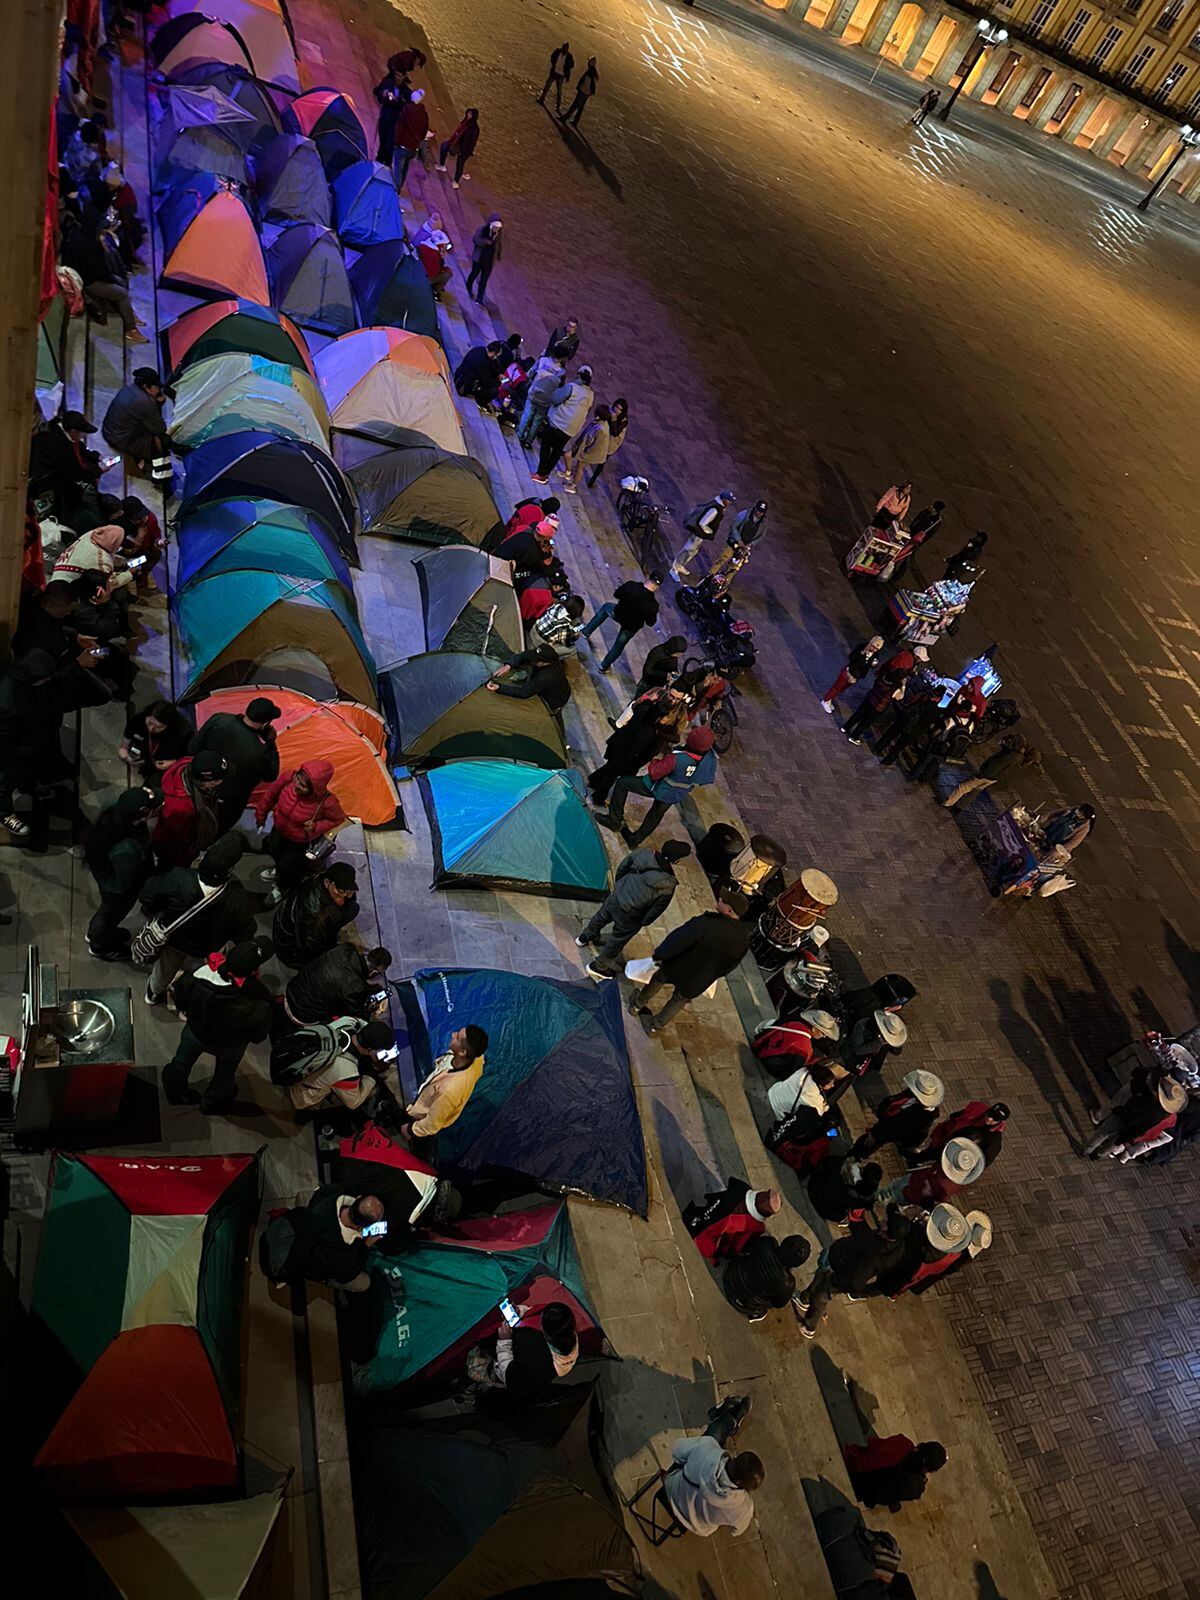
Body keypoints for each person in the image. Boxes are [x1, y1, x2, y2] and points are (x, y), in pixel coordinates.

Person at [140, 832, 257, 1004]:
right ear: (229, 870)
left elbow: (148, 895)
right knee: (203, 971)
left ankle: (153, 994)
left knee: (164, 970)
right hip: (207, 947)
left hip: (174, 939)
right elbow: (246, 933)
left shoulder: (178, 877)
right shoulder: (237, 901)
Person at [162, 936, 275, 1113]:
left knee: (181, 1062)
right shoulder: (258, 1000)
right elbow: (258, 1035)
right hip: (230, 1045)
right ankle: (212, 1103)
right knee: (225, 1074)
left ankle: (175, 1092)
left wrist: (190, 1013)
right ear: (255, 971)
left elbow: (180, 995)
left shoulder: (200, 974)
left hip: (195, 1032)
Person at [631, 891, 750, 1033]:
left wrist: (659, 955)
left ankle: (637, 1005)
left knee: (657, 980)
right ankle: (654, 1027)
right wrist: (712, 974)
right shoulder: (743, 941)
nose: (719, 899)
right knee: (679, 1000)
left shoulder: (706, 923)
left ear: (729, 910)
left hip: (676, 965)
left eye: (723, 901)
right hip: (699, 979)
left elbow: (678, 940)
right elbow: (729, 967)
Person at [577, 839, 692, 979]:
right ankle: (597, 967)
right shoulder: (668, 885)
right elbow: (654, 912)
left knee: (601, 917)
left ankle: (584, 937)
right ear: (677, 861)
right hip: (631, 914)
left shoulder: (644, 853)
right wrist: (641, 922)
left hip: (617, 897)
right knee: (616, 942)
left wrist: (620, 887)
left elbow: (622, 867)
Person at [795, 1205, 913, 1338]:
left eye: (885, 1220)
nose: (881, 1218)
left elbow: (855, 1282)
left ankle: (810, 1325)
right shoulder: (896, 1244)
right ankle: (804, 1298)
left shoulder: (874, 1257)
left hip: (837, 1270)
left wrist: (833, 1278)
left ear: (886, 1229)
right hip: (839, 1257)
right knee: (819, 1277)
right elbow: (863, 1236)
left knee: (821, 1295)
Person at [664, 1396, 762, 1537]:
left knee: (713, 1435)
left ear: (734, 1458)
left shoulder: (707, 1451)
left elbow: (677, 1450)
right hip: (697, 1526)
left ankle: (728, 1419)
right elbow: (736, 1531)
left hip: (673, 1493)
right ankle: (730, 1421)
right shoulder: (744, 1508)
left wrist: (696, 1459)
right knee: (711, 1441)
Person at [606, 725, 718, 847]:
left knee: (623, 782)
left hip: (660, 787)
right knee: (655, 816)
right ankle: (634, 840)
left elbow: (654, 773)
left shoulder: (676, 759)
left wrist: (655, 760)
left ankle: (614, 820)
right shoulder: (709, 760)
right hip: (677, 793)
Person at [84, 786, 162, 958]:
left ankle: (97, 934)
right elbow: (125, 883)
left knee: (106, 913)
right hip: (115, 889)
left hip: (106, 874)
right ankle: (100, 946)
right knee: (110, 914)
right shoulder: (126, 849)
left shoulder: (115, 809)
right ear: (142, 813)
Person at [264, 1186, 387, 1292]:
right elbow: (346, 1275)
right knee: (364, 1283)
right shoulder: (341, 1251)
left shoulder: (332, 1193)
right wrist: (365, 1247)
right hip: (309, 1263)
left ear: (358, 1198)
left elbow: (317, 1195)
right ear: (363, 1226)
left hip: (297, 1230)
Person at [253, 761, 346, 897]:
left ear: (314, 788)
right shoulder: (288, 778)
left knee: (289, 866)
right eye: (298, 779)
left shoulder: (327, 802)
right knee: (274, 851)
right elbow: (271, 795)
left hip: (298, 842)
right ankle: (277, 870)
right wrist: (261, 816)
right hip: (279, 830)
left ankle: (282, 887)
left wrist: (316, 826)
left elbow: (337, 819)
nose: (296, 785)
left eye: (303, 785)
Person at [587, 684, 687, 807]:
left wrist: (659, 732)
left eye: (677, 699)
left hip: (646, 750)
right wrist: (647, 703)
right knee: (615, 769)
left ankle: (594, 781)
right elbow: (635, 706)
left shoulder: (681, 713)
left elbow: (676, 737)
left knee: (617, 769)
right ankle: (598, 793)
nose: (673, 700)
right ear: (668, 690)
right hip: (631, 742)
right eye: (672, 696)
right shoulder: (656, 694)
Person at [467, 1301, 579, 1409]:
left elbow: (509, 1376)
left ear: (546, 1334)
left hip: (508, 1376)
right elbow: (534, 1313)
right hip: (530, 1378)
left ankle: (475, 1386)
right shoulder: (567, 1333)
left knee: (474, 1363)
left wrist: (504, 1341)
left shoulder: (536, 1355)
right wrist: (520, 1311)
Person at [189, 697, 281, 826]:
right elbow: (271, 775)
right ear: (265, 724)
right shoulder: (259, 752)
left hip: (195, 785)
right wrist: (271, 745)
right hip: (228, 801)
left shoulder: (218, 719)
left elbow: (193, 747)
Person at [61, 205, 147, 342]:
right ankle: (131, 329)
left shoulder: (79, 233)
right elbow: (99, 272)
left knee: (121, 282)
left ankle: (128, 313)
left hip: (88, 275)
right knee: (122, 292)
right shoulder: (90, 246)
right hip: (89, 281)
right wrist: (111, 277)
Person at [277, 1017, 394, 1115]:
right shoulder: (347, 1071)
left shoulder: (347, 1022)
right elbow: (354, 1103)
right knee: (369, 1093)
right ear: (370, 1049)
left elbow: (362, 1024)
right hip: (298, 1094)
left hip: (292, 1064)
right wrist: (372, 1074)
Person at [404, 1023, 489, 1136]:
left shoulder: (449, 1092)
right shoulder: (476, 1059)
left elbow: (431, 1125)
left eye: (457, 1037)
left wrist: (410, 1130)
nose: (453, 1034)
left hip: (423, 1111)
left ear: (463, 1052)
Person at [273, 861, 359, 970]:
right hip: (292, 952)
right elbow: (312, 947)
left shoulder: (318, 879)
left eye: (348, 891)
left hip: (290, 933)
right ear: (328, 882)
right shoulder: (318, 916)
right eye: (341, 891)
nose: (345, 895)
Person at [1082, 1074, 1184, 1161]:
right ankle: (1098, 1155)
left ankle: (1087, 1150)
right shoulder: (1167, 1116)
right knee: (1113, 1143)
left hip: (1122, 1119)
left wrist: (1119, 1110)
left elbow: (1132, 1110)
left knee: (1103, 1133)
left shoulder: (1150, 1104)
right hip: (1129, 1133)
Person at [286, 943, 392, 1026]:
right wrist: (371, 1009)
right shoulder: (354, 988)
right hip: (302, 1013)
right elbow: (357, 1015)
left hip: (292, 988)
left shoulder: (345, 949)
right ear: (374, 972)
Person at [152, 751, 227, 867]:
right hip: (176, 851)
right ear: (206, 783)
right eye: (217, 781)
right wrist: (188, 853)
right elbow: (175, 841)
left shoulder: (189, 764)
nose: (220, 783)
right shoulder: (181, 807)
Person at [852, 1071, 945, 1162]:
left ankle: (857, 1155)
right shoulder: (912, 1096)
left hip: (885, 1131)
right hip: (885, 1125)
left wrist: (875, 1134)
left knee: (866, 1144)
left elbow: (897, 1130)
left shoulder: (923, 1118)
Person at [843, 646, 928, 745]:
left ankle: (846, 727)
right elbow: (899, 696)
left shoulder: (885, 675)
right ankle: (854, 736)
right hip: (879, 704)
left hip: (873, 694)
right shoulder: (894, 685)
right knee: (867, 720)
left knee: (860, 711)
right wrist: (903, 686)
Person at [28, 409, 102, 522]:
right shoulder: (60, 446)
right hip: (42, 478)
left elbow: (79, 446)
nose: (82, 437)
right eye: (81, 433)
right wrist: (99, 470)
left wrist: (96, 456)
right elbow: (75, 472)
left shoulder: (57, 429)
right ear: (73, 431)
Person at [682, 1178, 782, 1260]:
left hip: (698, 1218)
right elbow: (738, 1247)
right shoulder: (755, 1226)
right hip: (703, 1241)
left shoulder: (741, 1187)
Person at [580, 573, 661, 672]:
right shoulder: (653, 605)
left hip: (618, 614)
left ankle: (586, 632)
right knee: (619, 645)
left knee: (606, 607)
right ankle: (603, 667)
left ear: (648, 577)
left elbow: (616, 594)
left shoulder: (631, 585)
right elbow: (650, 623)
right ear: (658, 587)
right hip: (631, 626)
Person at [844, 1437, 947, 1512]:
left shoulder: (902, 1444)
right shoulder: (916, 1488)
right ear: (931, 1470)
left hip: (857, 1470)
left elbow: (875, 1445)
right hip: (865, 1493)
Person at [723, 1233, 811, 1321]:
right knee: (769, 1301)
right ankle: (755, 1313)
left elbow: (748, 1248)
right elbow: (778, 1304)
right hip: (747, 1302)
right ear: (797, 1264)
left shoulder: (767, 1243)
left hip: (731, 1275)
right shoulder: (788, 1283)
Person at [881, 1136, 986, 1207]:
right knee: (893, 1185)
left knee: (895, 1198)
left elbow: (934, 1200)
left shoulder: (948, 1186)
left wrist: (925, 1191)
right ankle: (881, 1194)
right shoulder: (946, 1164)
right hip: (915, 1178)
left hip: (913, 1192)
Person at [942, 735, 1041, 810]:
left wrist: (982, 774)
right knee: (975, 792)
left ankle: (948, 803)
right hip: (994, 778)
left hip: (988, 775)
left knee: (963, 787)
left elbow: (996, 766)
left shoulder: (1012, 756)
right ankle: (960, 807)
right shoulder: (1019, 759)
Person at [532, 365, 594, 482]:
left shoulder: (572, 387)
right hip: (571, 429)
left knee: (546, 447)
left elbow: (555, 399)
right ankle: (546, 474)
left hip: (558, 423)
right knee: (557, 450)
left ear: (578, 375)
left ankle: (541, 473)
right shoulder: (590, 394)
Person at [102, 369, 170, 464]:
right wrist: (158, 403)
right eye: (156, 387)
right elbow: (159, 429)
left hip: (110, 431)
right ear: (146, 386)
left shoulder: (129, 388)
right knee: (164, 441)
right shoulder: (145, 402)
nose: (158, 390)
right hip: (120, 440)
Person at [119, 699, 192, 787]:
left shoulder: (181, 734)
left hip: (166, 767)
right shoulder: (137, 721)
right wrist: (127, 757)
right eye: (150, 723)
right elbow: (124, 746)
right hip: (143, 760)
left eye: (159, 727)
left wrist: (173, 762)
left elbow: (188, 757)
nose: (152, 729)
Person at [751, 1008, 841, 1078]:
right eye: (823, 1033)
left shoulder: (795, 1024)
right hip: (769, 1062)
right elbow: (792, 1070)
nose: (824, 1036)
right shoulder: (805, 1048)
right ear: (814, 1029)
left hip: (763, 1048)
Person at [920, 1099, 1008, 1168]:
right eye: (990, 1114)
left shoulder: (994, 1140)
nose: (989, 1119)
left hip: (955, 1155)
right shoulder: (977, 1109)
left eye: (994, 1119)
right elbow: (958, 1115)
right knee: (929, 1153)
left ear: (1000, 1121)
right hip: (946, 1139)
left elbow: (985, 1162)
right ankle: (917, 1159)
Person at [670, 489, 735, 580]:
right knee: (688, 550)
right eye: (729, 500)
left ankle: (680, 565)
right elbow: (703, 523)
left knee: (692, 551)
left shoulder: (717, 505)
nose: (730, 503)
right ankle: (674, 568)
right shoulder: (716, 509)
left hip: (699, 534)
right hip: (698, 534)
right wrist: (709, 531)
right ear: (724, 499)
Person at [486, 645, 570, 714]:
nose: (533, 660)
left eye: (537, 661)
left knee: (546, 709)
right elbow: (523, 656)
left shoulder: (546, 677)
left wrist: (499, 688)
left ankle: (554, 712)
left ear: (546, 663)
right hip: (554, 685)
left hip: (556, 698)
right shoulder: (543, 656)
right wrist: (508, 666)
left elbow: (524, 692)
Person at [807, 1157, 882, 1225]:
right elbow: (867, 1205)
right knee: (842, 1214)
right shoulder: (860, 1198)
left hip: (813, 1186)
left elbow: (827, 1161)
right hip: (823, 1208)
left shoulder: (843, 1164)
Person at [821, 636, 886, 715]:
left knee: (842, 689)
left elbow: (874, 664)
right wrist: (862, 652)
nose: (874, 649)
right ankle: (826, 700)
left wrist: (873, 664)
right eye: (873, 646)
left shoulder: (875, 655)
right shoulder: (862, 647)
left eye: (876, 648)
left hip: (857, 675)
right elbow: (851, 657)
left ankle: (830, 699)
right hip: (849, 671)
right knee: (837, 687)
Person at [517, 354, 567, 448]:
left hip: (533, 394)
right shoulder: (561, 372)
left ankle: (520, 434)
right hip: (546, 401)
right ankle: (528, 441)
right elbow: (561, 388)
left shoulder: (542, 360)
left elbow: (530, 373)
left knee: (526, 415)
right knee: (537, 421)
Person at [711, 500, 768, 577]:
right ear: (755, 508)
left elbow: (761, 536)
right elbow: (734, 527)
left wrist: (751, 544)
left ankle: (725, 584)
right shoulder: (744, 515)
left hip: (744, 548)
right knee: (722, 560)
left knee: (733, 567)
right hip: (733, 543)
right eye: (758, 510)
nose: (759, 513)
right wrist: (738, 540)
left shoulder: (763, 523)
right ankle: (710, 576)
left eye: (762, 512)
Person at [561, 404, 611, 493]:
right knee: (569, 457)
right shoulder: (600, 423)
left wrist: (584, 450)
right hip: (584, 447)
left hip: (588, 452)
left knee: (579, 467)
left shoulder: (600, 428)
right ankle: (568, 474)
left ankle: (573, 486)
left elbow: (592, 442)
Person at [389, 88, 428, 188]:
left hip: (403, 145)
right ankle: (399, 188)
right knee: (404, 169)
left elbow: (400, 127)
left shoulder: (407, 110)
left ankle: (395, 191)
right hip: (413, 148)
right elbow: (423, 132)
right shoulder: (423, 114)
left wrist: (395, 141)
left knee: (398, 170)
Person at [373, 63, 412, 162]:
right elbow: (378, 93)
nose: (397, 78)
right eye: (396, 75)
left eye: (399, 76)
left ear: (404, 76)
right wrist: (383, 95)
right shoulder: (388, 83)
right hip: (385, 117)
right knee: (383, 142)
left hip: (395, 122)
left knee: (389, 145)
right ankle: (379, 160)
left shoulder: (406, 91)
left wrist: (397, 101)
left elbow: (407, 106)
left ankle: (388, 162)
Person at [586, 394, 627, 486]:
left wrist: (614, 420)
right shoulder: (610, 409)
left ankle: (593, 478)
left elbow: (615, 432)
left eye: (620, 409)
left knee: (602, 461)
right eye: (616, 407)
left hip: (611, 442)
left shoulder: (624, 420)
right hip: (602, 436)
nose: (617, 410)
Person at [437, 106, 480, 187]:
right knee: (444, 146)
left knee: (460, 165)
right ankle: (442, 166)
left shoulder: (474, 129)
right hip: (455, 144)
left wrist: (466, 151)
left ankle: (456, 181)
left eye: (470, 114)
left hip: (464, 149)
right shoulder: (465, 122)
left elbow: (472, 142)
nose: (468, 115)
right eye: (468, 113)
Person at [454, 340, 505, 407]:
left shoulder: (479, 349)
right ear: (493, 353)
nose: (496, 358)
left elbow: (490, 366)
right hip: (464, 385)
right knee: (495, 391)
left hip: (459, 375)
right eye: (496, 356)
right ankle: (481, 402)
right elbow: (487, 382)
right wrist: (499, 383)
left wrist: (498, 374)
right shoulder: (483, 362)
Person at [466, 214, 502, 304]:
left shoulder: (498, 235)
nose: (497, 229)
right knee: (474, 274)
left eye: (498, 228)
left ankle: (480, 298)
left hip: (489, 262)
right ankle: (468, 287)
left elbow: (499, 245)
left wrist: (498, 255)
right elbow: (475, 240)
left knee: (484, 280)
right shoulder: (482, 230)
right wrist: (485, 242)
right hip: (479, 258)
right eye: (495, 227)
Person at [413, 210, 453, 294]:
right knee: (447, 273)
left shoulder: (422, 237)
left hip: (415, 268)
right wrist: (441, 257)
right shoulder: (432, 252)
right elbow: (434, 271)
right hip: (422, 276)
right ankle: (436, 291)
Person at [538, 43, 575, 113]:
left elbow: (572, 65)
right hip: (554, 72)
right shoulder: (558, 51)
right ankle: (542, 99)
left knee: (559, 91)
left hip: (561, 75)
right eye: (564, 47)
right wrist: (554, 64)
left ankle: (557, 106)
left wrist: (566, 68)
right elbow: (552, 57)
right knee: (547, 85)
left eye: (565, 48)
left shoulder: (569, 56)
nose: (564, 49)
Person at [562, 56, 598, 127]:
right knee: (580, 108)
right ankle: (575, 122)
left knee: (575, 105)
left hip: (583, 92)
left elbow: (588, 82)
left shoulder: (590, 72)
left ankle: (565, 117)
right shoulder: (593, 72)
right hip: (586, 93)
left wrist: (580, 87)